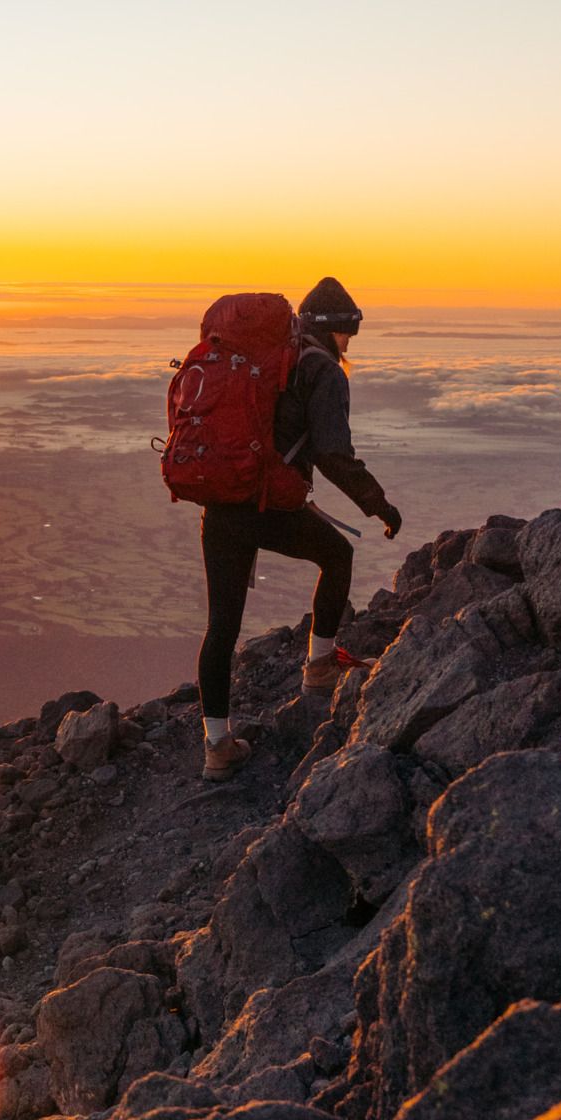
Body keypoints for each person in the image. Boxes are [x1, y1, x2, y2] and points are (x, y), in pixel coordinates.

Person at [198, 274, 401, 781]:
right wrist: (378, 505)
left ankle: (217, 748)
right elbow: (332, 454)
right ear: (336, 329)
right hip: (268, 505)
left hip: (221, 505)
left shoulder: (265, 360)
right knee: (337, 556)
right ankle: (319, 667)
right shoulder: (321, 370)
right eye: (349, 333)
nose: (350, 343)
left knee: (221, 627)